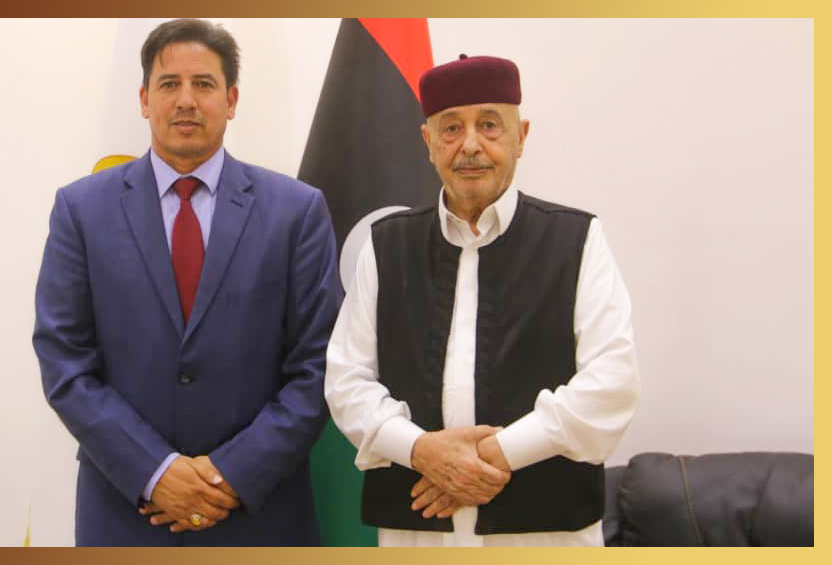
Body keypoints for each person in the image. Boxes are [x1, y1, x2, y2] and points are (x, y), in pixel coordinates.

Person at [33, 19, 342, 546]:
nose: (185, 101)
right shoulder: (81, 210)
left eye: (203, 84)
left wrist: (231, 474)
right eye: (169, 84)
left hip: (259, 514)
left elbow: (318, 364)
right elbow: (64, 360)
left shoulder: (297, 212)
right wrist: (154, 472)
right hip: (126, 511)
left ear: (232, 99)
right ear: (144, 99)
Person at [324, 54, 640, 546]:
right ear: (428, 142)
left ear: (521, 137)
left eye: (489, 125)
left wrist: (490, 455)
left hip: (545, 535)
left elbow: (612, 383)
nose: (470, 145)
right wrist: (420, 450)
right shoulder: (385, 246)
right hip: (418, 537)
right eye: (451, 128)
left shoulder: (577, 239)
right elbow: (347, 382)